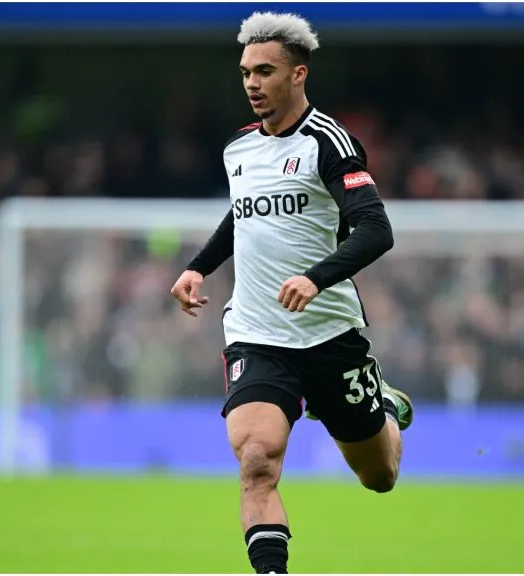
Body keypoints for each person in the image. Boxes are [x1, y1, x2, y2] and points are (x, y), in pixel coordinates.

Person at [169, 11, 414, 574]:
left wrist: (316, 276)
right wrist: (198, 267)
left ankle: (384, 411)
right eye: (245, 72)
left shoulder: (329, 142)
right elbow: (244, 217)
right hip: (256, 332)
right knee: (256, 459)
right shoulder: (240, 150)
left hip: (328, 333)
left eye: (264, 71)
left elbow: (377, 229)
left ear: (298, 75)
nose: (252, 83)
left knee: (380, 477)